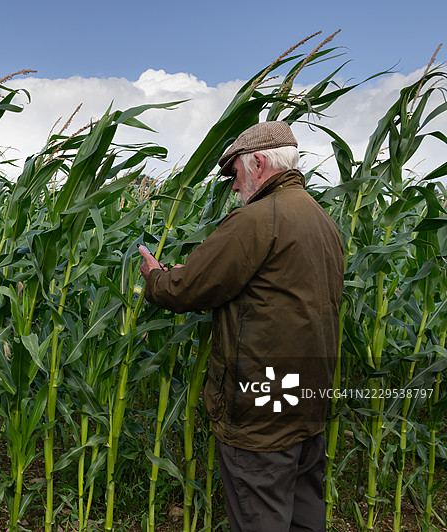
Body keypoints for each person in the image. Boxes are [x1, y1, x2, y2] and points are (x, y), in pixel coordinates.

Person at [138, 121, 343, 532]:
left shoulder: (257, 219)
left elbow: (187, 289)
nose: (233, 187)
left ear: (260, 163)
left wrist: (156, 277)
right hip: (307, 402)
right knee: (304, 517)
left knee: (260, 516)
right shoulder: (323, 221)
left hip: (261, 408)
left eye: (234, 173)